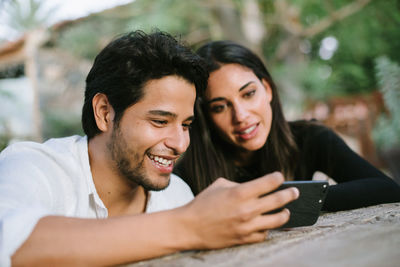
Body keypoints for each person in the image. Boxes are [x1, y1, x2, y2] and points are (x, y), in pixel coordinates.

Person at [0, 31, 299, 266]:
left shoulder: (177, 195)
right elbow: (10, 243)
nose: (180, 143)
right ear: (105, 112)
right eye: (159, 121)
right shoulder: (32, 166)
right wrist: (189, 226)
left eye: (185, 125)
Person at [175, 40, 400, 212]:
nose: (241, 116)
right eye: (220, 107)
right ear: (205, 116)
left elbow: (386, 188)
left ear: (268, 89)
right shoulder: (189, 172)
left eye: (249, 94)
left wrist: (289, 200)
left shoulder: (309, 137)